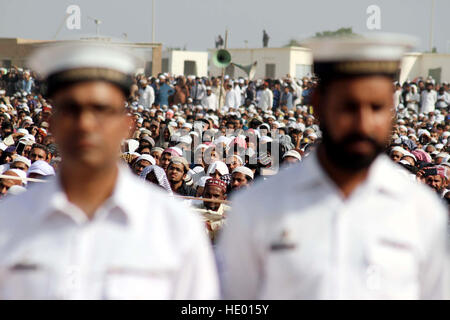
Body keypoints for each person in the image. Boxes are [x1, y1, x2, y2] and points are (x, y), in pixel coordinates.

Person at [217, 34, 448, 299]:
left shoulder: (422, 212)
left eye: (376, 108)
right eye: (348, 108)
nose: (363, 124)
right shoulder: (258, 207)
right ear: (318, 104)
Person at [0, 41, 219, 299]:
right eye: (71, 110)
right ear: (52, 124)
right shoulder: (10, 222)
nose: (86, 124)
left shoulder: (173, 228)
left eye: (101, 110)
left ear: (126, 125)